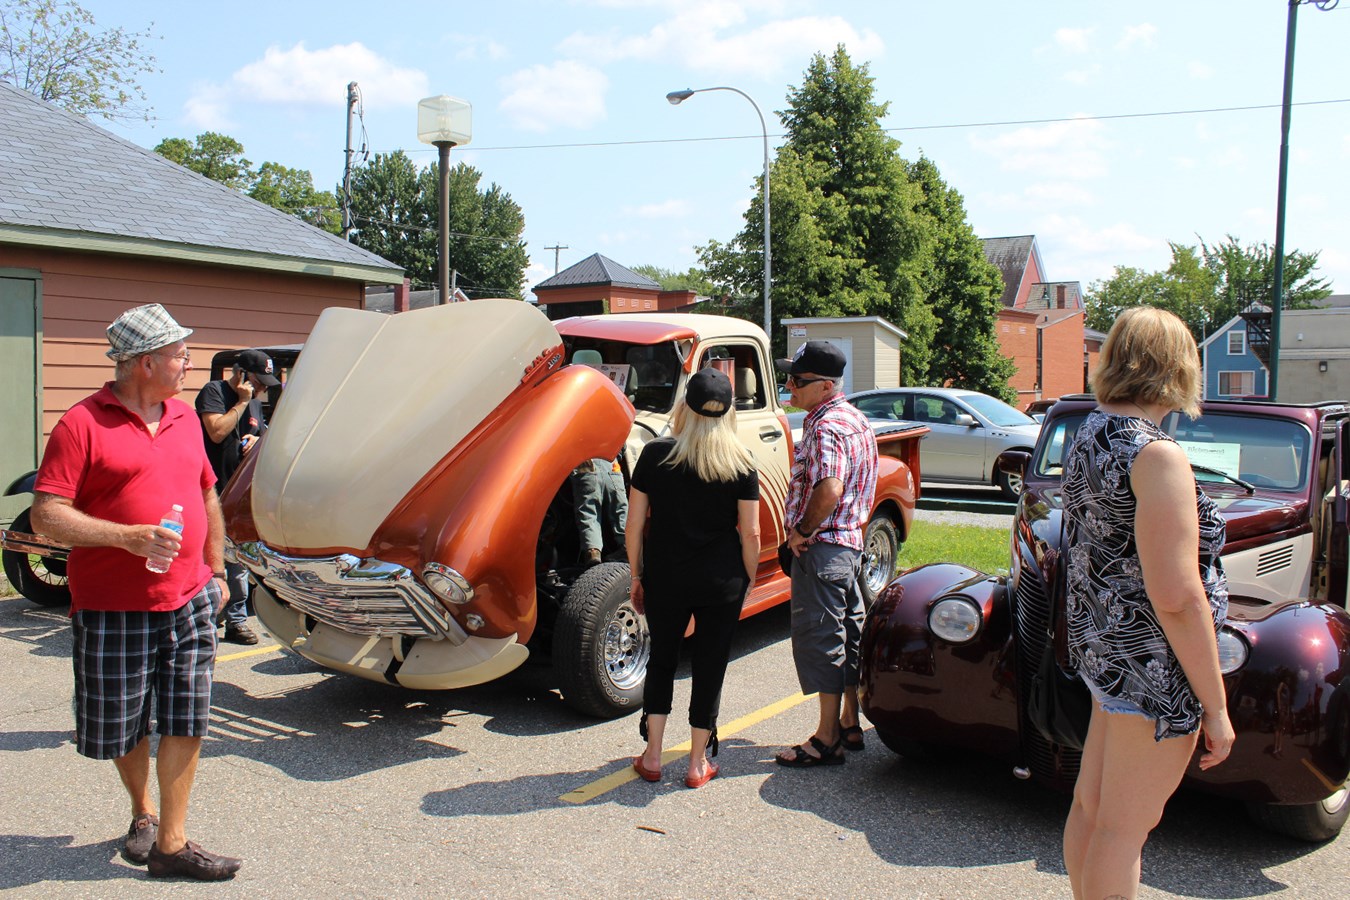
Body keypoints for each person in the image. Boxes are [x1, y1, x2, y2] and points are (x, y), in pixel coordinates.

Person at [31, 303, 243, 881]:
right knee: (124, 726)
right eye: (180, 354)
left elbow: (206, 496)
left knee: (187, 717)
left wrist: (218, 572)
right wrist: (126, 538)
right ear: (146, 362)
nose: (188, 363)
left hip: (192, 597)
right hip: (112, 605)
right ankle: (142, 812)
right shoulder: (81, 423)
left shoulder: (183, 417)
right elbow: (47, 515)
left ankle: (171, 844)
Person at [1060, 306, 1233, 899]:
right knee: (1123, 829)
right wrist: (1216, 705)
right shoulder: (1156, 454)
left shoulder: (1090, 433)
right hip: (1151, 665)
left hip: (1108, 652)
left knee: (1095, 809)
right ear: (1177, 368)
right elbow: (1180, 598)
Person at [627, 368, 760, 789]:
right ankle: (697, 764)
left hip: (665, 576)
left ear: (684, 407)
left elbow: (634, 525)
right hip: (722, 579)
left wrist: (636, 573)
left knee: (662, 660)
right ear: (728, 413)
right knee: (710, 666)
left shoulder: (654, 454)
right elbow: (751, 532)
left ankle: (652, 757)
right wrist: (750, 577)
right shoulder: (741, 461)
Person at [774, 341, 878, 767]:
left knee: (822, 639)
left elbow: (831, 487)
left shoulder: (827, 426)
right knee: (849, 633)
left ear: (825, 385)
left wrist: (801, 530)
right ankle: (850, 723)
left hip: (824, 547)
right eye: (790, 377)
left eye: (798, 381)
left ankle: (826, 737)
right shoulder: (855, 418)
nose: (790, 386)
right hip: (849, 545)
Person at [196, 348, 279, 643]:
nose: (260, 389)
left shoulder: (255, 404)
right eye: (258, 382)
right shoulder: (214, 392)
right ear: (241, 373)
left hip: (238, 493)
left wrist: (258, 440)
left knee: (237, 561)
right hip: (210, 491)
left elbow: (266, 434)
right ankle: (207, 617)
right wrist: (242, 402)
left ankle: (236, 621)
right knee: (210, 556)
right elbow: (217, 432)